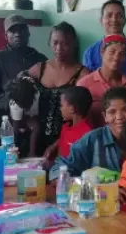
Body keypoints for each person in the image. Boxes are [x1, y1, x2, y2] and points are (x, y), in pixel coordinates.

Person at [48, 86, 126, 181]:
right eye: (112, 112)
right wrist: (78, 184)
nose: (119, 117)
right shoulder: (93, 139)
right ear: (104, 116)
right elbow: (59, 168)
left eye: (125, 110)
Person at [27, 22, 89, 153]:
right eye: (55, 43)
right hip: (36, 138)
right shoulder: (39, 69)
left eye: (65, 43)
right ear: (49, 43)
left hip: (68, 141)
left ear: (74, 44)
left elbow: (82, 117)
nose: (59, 48)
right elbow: (19, 95)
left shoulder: (83, 75)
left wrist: (57, 144)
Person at [0, 15, 48, 113]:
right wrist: (8, 104)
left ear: (28, 33)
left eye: (21, 30)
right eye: (13, 31)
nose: (18, 34)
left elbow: (47, 88)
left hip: (37, 113)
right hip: (7, 112)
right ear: (6, 36)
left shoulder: (40, 58)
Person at [82, 0, 126, 77]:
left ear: (125, 20)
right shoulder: (90, 52)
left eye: (119, 16)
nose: (114, 20)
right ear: (101, 20)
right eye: (109, 15)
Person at [76, 34, 126, 126]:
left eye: (121, 53)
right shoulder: (84, 84)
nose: (116, 57)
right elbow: (77, 119)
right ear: (102, 52)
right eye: (112, 52)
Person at [42, 86, 93, 164]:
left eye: (61, 105)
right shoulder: (66, 127)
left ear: (71, 109)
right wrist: (53, 147)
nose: (60, 109)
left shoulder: (88, 134)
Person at [5, 75, 41, 157]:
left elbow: (34, 116)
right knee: (14, 131)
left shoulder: (37, 94)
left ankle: (32, 153)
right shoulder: (14, 102)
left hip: (32, 113)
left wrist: (28, 124)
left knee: (36, 128)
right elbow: (15, 125)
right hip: (18, 112)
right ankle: (12, 152)